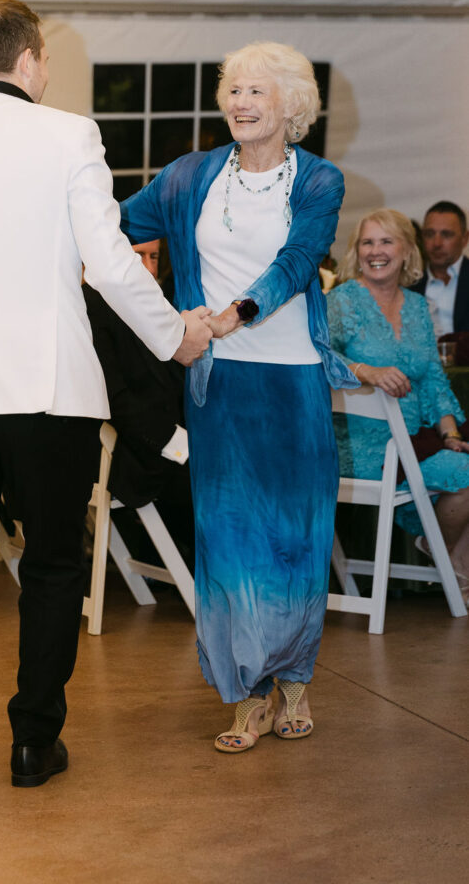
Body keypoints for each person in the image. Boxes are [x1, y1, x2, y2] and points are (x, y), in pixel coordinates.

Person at [0, 0, 211, 829]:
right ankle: (33, 743)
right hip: (48, 393)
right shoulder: (70, 136)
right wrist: (173, 337)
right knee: (55, 565)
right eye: (46, 57)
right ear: (29, 56)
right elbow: (111, 263)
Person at [119, 41, 355, 754]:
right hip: (218, 382)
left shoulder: (319, 180)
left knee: (297, 534)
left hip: (291, 377)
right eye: (233, 91)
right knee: (226, 538)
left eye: (256, 91)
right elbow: (113, 228)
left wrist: (235, 313)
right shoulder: (188, 177)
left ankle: (295, 679)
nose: (240, 103)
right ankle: (244, 692)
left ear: (291, 106)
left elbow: (296, 263)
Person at [327, 209, 469, 605]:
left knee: (464, 465)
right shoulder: (341, 301)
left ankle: (446, 553)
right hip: (361, 446)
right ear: (357, 251)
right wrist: (365, 370)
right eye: (367, 242)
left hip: (415, 440)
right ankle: (453, 560)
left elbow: (434, 380)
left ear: (407, 250)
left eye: (386, 241)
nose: (376, 251)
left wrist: (450, 433)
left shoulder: (419, 307)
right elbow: (318, 359)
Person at [83, 241, 195, 569]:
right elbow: (114, 398)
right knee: (224, 479)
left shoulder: (160, 303)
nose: (147, 266)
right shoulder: (94, 303)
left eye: (154, 256)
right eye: (137, 255)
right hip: (136, 452)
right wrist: (178, 445)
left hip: (173, 439)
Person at [411, 201, 469, 335]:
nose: (437, 243)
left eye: (446, 234)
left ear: (464, 239)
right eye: (429, 234)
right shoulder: (410, 284)